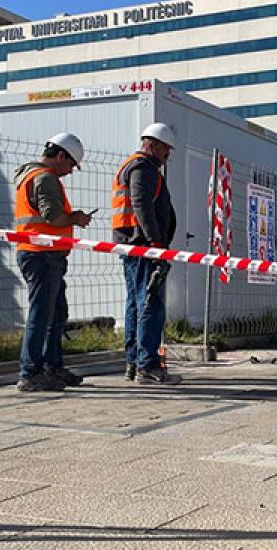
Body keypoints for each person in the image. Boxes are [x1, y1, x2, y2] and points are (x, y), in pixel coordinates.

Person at [13, 133, 93, 392]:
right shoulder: (45, 178)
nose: (70, 171)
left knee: (56, 313)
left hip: (42, 254)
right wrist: (76, 219)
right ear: (60, 156)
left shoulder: (30, 175)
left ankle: (52, 367)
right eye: (71, 165)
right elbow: (53, 217)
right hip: (42, 255)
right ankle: (31, 372)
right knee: (42, 314)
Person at [112, 122, 181, 385]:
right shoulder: (143, 167)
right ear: (154, 145)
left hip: (135, 246)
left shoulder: (133, 165)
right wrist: (155, 241)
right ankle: (148, 365)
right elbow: (141, 203)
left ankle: (134, 361)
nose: (168, 156)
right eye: (166, 149)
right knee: (150, 303)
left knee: (136, 303)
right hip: (144, 247)